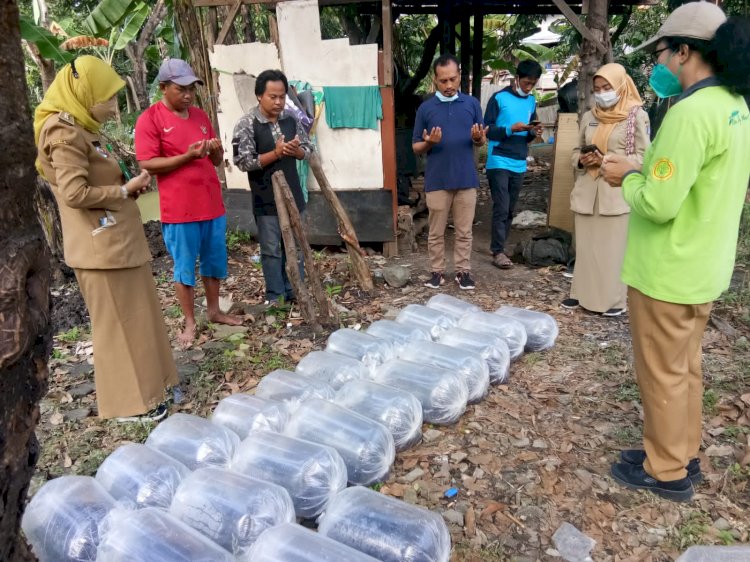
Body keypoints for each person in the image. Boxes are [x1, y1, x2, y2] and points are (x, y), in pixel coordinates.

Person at [601, 3, 750, 501]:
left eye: (662, 53)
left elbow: (659, 203)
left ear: (685, 51)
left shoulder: (689, 113)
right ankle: (680, 450)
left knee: (661, 371)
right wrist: (648, 167)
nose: (658, 64)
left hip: (667, 270)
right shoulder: (735, 105)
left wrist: (628, 176)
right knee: (685, 366)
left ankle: (665, 471)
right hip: (704, 266)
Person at [35, 56, 178, 421]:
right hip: (99, 247)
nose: (114, 106)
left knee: (139, 316)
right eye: (108, 98)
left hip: (117, 240)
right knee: (117, 327)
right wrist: (122, 191)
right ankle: (130, 405)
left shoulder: (84, 127)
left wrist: (127, 188)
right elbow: (74, 193)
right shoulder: (63, 131)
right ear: (85, 92)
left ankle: (155, 385)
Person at [135, 58, 241, 348]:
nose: (188, 95)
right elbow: (147, 162)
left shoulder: (199, 116)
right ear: (163, 88)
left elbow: (215, 161)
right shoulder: (150, 119)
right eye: (181, 89)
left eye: (192, 89)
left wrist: (216, 152)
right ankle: (190, 321)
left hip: (210, 203)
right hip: (179, 209)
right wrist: (187, 156)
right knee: (184, 267)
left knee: (214, 261)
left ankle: (215, 310)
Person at [561, 63, 650, 317]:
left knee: (612, 251)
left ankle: (613, 301)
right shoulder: (591, 116)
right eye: (597, 88)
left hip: (616, 193)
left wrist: (607, 161)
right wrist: (582, 160)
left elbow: (643, 159)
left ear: (621, 86)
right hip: (588, 191)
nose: (601, 93)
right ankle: (580, 295)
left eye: (607, 87)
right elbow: (576, 151)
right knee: (587, 249)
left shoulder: (636, 116)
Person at [231, 69, 313, 305]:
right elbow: (243, 161)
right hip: (265, 199)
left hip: (293, 196)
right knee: (271, 250)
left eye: (281, 96)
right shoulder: (247, 124)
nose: (278, 102)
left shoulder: (291, 119)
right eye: (272, 96)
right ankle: (275, 297)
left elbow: (308, 150)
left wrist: (297, 151)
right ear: (259, 96)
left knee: (296, 247)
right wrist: (274, 154)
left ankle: (295, 290)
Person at [412, 54, 487, 290]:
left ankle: (463, 272)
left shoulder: (472, 104)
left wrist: (478, 138)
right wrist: (430, 143)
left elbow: (481, 139)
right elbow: (416, 146)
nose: (449, 85)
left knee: (464, 231)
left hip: (466, 178)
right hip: (437, 179)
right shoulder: (425, 108)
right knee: (436, 232)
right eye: (443, 81)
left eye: (453, 79)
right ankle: (436, 272)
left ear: (459, 76)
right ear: (435, 80)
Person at [484, 60, 544, 269]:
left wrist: (532, 132)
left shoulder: (531, 101)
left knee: (510, 208)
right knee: (501, 206)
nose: (529, 87)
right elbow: (487, 130)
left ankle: (500, 247)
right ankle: (498, 251)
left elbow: (526, 135)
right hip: (498, 159)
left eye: (533, 84)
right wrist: (511, 129)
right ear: (516, 78)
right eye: (527, 82)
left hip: (519, 161)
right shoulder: (499, 98)